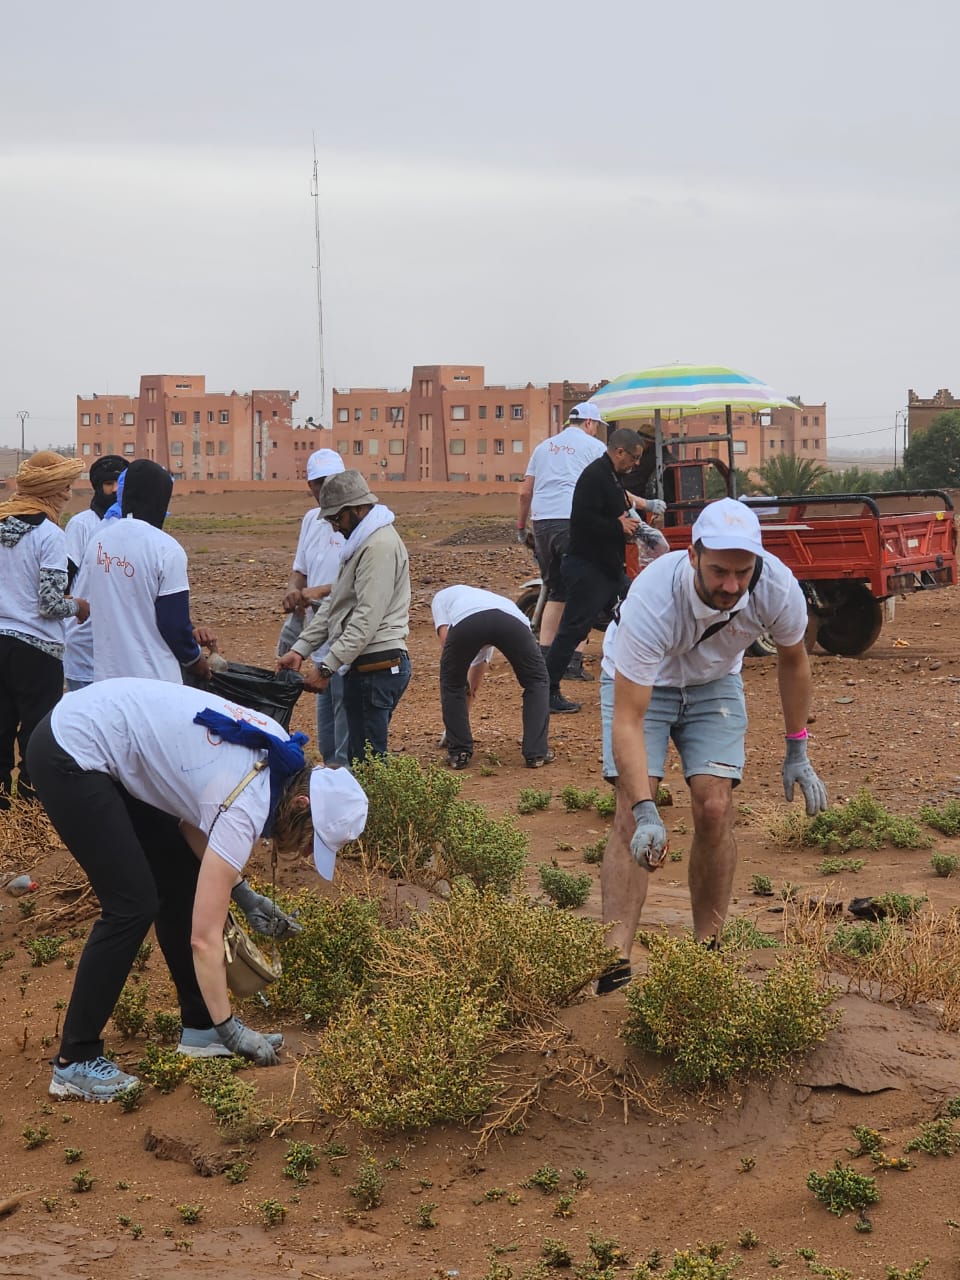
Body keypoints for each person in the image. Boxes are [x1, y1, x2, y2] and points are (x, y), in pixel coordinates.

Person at [25, 677, 369, 1101]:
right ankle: (74, 1059)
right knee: (132, 903)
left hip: (109, 737)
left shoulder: (279, 759)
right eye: (311, 838)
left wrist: (243, 894)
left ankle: (201, 1028)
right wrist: (232, 1029)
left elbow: (193, 820)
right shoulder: (247, 803)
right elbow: (203, 941)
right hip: (71, 748)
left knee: (180, 878)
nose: (302, 850)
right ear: (302, 804)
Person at [597, 498, 827, 993]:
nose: (731, 585)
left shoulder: (776, 586)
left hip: (714, 684)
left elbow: (793, 660)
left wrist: (797, 750)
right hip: (642, 683)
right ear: (693, 556)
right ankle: (614, 961)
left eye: (742, 572)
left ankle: (708, 953)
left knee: (715, 806)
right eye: (719, 571)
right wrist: (646, 809)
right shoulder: (654, 598)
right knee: (631, 815)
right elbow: (630, 719)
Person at [277, 470, 411, 762]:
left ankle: (376, 794)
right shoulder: (360, 544)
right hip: (365, 666)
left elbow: (365, 619)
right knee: (357, 757)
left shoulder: (378, 547)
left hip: (378, 666)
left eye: (337, 518)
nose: (335, 528)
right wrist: (300, 649)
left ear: (358, 508)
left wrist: (327, 668)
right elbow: (334, 605)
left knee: (367, 763)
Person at [545, 428, 664, 713]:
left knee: (637, 612)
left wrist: (636, 526)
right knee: (573, 629)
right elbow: (583, 520)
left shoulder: (612, 477)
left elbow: (617, 509)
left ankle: (646, 679)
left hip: (608, 568)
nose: (636, 463)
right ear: (619, 451)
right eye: (634, 457)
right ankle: (546, 690)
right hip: (588, 568)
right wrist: (617, 526)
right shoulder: (595, 475)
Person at [0, 450, 87, 807]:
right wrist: (78, 606)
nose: (68, 494)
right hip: (36, 650)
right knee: (36, 735)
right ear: (51, 490)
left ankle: (3, 810)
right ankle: (31, 810)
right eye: (65, 487)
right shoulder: (50, 535)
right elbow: (49, 605)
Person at [82, 459, 213, 684]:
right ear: (160, 497)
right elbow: (173, 623)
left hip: (107, 679)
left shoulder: (98, 541)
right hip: (154, 680)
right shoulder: (166, 549)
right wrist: (195, 660)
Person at [516, 401, 607, 679]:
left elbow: (525, 492)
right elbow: (607, 488)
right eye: (596, 426)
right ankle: (572, 663)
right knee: (585, 593)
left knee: (556, 591)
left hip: (542, 523)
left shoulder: (543, 447)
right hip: (574, 522)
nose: (596, 431)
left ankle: (545, 660)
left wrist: (521, 526)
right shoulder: (595, 448)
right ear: (589, 423)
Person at [277, 447, 349, 766]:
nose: (326, 488)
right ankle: (333, 778)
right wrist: (294, 592)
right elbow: (300, 571)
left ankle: (347, 780)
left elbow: (361, 583)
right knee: (328, 734)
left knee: (347, 730)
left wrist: (317, 592)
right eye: (320, 483)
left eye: (332, 481)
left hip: (347, 635)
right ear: (310, 487)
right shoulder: (311, 520)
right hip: (318, 634)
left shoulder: (354, 523)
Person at [431, 584, 551, 770]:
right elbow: (475, 677)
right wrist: (467, 690)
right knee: (537, 682)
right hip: (514, 623)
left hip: (468, 623)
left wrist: (454, 728)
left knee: (452, 683)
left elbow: (447, 641)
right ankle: (537, 753)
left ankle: (459, 753)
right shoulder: (495, 601)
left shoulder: (441, 597)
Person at [63, 455, 127, 692]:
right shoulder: (82, 524)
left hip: (116, 639)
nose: (114, 490)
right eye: (109, 484)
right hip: (83, 636)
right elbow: (65, 576)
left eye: (119, 483)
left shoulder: (130, 525)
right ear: (97, 486)